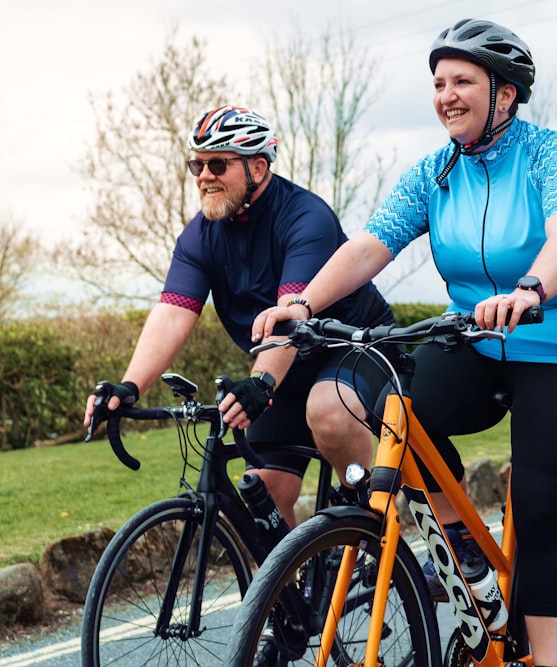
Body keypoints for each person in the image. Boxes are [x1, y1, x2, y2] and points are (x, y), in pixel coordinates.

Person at [252, 19, 557, 667]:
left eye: (463, 82)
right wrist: (304, 301)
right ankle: (462, 547)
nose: (446, 94)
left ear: (504, 94)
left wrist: (532, 289)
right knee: (396, 417)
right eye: (439, 83)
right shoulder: (435, 172)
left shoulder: (550, 154)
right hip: (473, 337)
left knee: (538, 507)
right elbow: (372, 244)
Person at [83, 104, 396, 532]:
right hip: (284, 370)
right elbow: (173, 314)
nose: (203, 176)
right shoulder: (199, 236)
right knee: (260, 496)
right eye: (197, 164)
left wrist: (262, 382)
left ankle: (370, 535)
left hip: (350, 350)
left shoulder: (306, 218)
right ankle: (291, 594)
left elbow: (290, 318)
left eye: (217, 164)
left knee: (328, 413)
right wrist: (131, 385)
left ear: (259, 167)